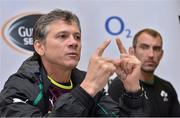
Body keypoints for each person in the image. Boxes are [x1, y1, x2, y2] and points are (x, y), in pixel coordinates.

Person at [0, 9, 148, 117]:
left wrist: (132, 91)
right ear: (40, 47)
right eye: (62, 36)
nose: (73, 42)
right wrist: (86, 90)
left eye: (77, 37)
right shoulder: (18, 86)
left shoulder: (86, 82)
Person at [108, 28, 180, 116]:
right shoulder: (120, 85)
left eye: (156, 49)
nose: (151, 55)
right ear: (132, 52)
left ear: (161, 54)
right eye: (144, 47)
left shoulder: (167, 88)